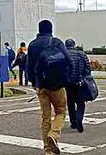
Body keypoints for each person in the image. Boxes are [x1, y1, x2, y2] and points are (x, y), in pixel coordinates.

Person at [28, 20, 71, 155]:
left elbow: (29, 67)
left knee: (45, 117)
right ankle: (54, 134)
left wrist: (34, 83)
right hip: (57, 85)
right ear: (51, 29)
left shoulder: (32, 45)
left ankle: (48, 150)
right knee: (61, 111)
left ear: (39, 29)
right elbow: (68, 60)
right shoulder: (57, 42)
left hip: (41, 85)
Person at [65, 38, 91, 133]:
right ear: (74, 45)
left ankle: (73, 122)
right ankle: (79, 119)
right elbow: (88, 68)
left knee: (70, 102)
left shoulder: (63, 54)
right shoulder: (81, 54)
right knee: (80, 103)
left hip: (67, 83)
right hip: (80, 82)